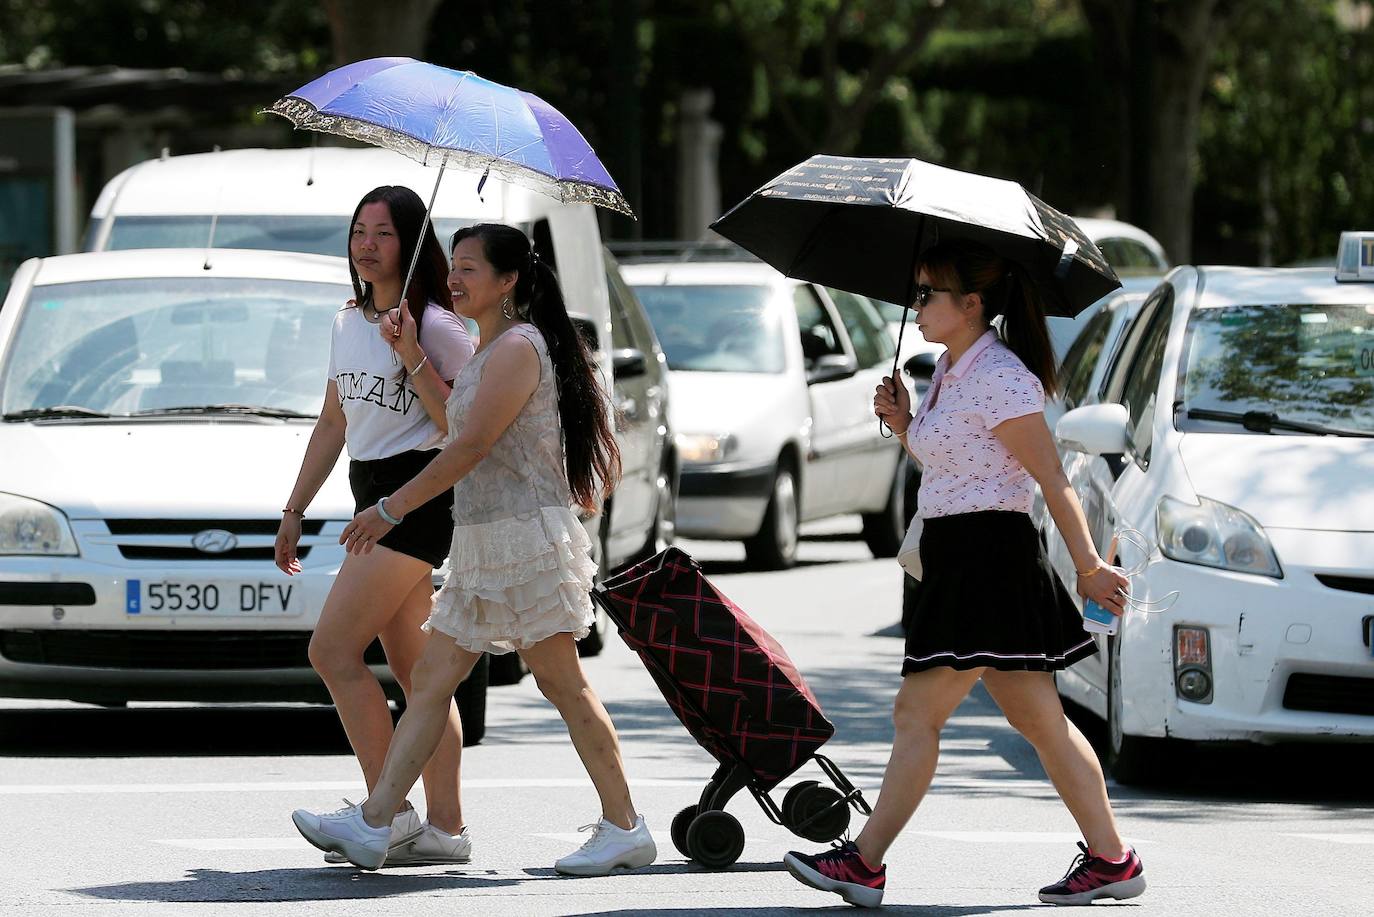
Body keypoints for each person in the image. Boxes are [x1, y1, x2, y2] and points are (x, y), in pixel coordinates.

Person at [783, 239, 1145, 908]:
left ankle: (864, 862)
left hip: (989, 561)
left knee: (916, 712)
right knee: (1040, 720)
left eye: (927, 294)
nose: (915, 305)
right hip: (957, 556)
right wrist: (903, 424)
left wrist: (1090, 565)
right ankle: (1112, 857)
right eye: (916, 293)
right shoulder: (952, 367)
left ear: (971, 304)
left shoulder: (1002, 376)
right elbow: (952, 461)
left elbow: (1051, 478)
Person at [290, 222, 657, 876]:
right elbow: (454, 414)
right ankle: (383, 822)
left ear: (509, 280)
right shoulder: (491, 347)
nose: (454, 279)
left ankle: (625, 825)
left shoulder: (518, 346)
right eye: (452, 266)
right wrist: (410, 355)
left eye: (470, 269)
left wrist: (390, 507)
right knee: (430, 680)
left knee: (561, 683)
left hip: (525, 541)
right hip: (486, 542)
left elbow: (469, 445)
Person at [276, 185, 475, 867]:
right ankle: (444, 830)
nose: (366, 244)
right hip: (369, 493)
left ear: (412, 241)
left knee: (331, 651)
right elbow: (334, 422)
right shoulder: (345, 321)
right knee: (420, 675)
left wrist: (414, 353)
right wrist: (295, 509)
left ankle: (386, 812)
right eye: (358, 229)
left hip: (416, 499)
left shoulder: (440, 326)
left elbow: (468, 431)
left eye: (383, 233)